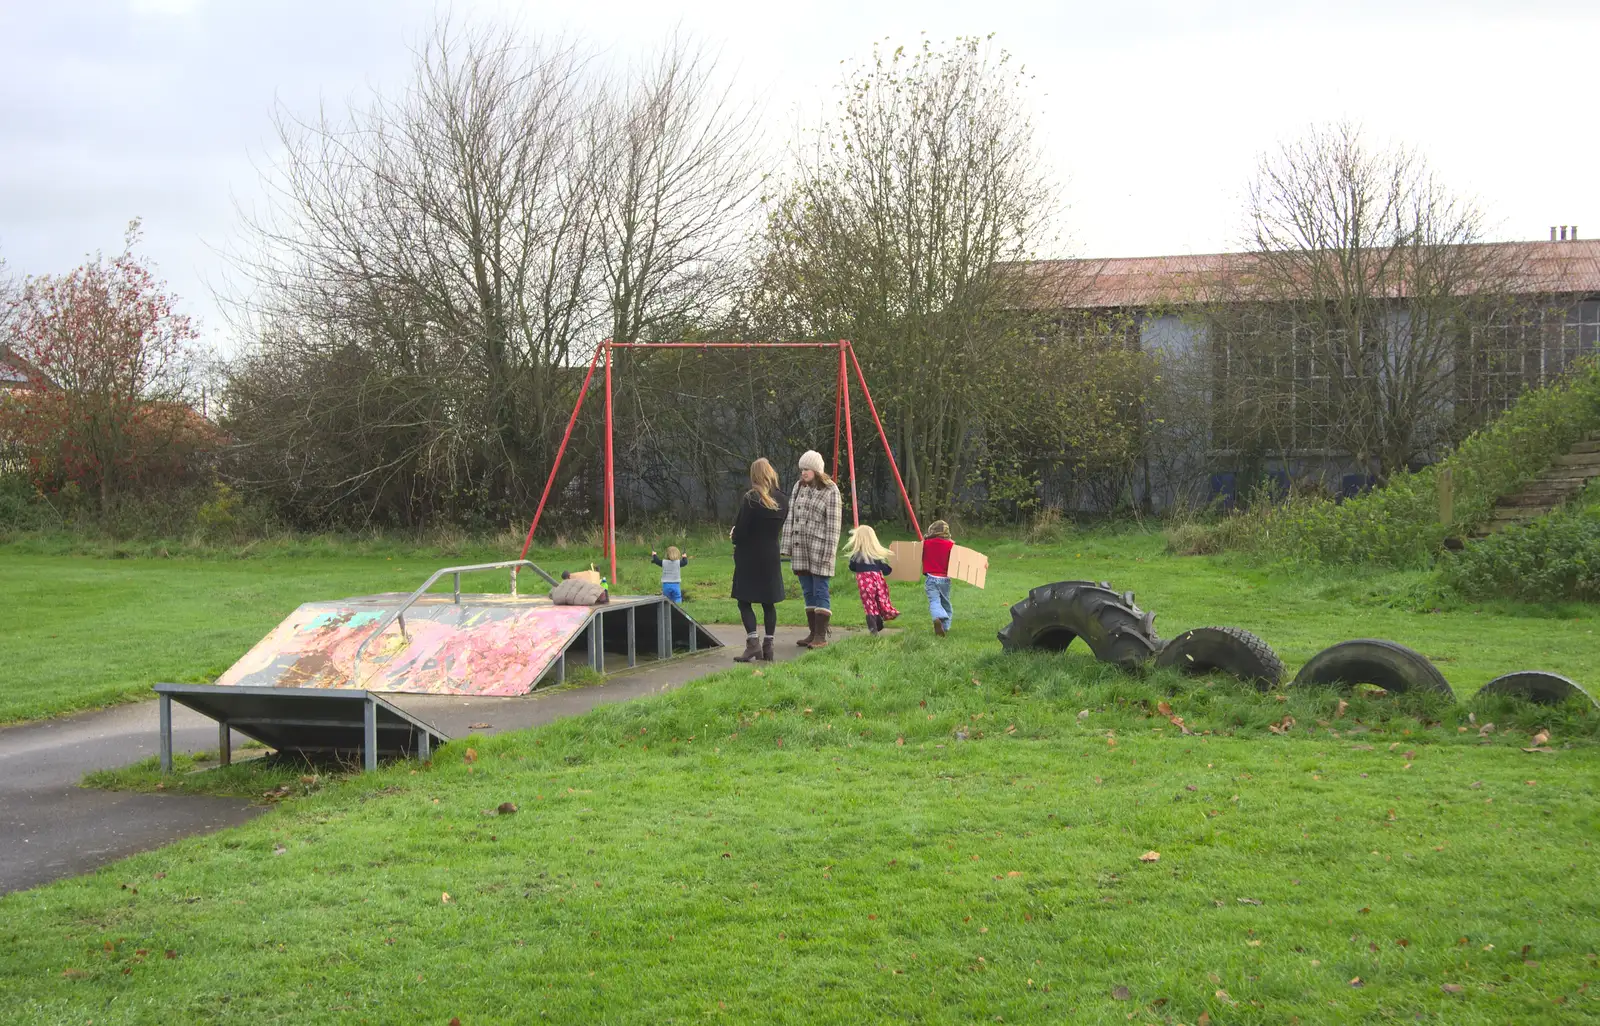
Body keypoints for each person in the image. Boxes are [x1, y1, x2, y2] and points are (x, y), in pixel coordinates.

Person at [780, 450, 843, 648]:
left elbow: (834, 526)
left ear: (816, 470)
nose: (803, 473)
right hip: (801, 550)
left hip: (819, 549)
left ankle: (821, 636)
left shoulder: (830, 490)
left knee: (820, 590)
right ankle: (812, 632)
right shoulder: (798, 487)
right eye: (801, 469)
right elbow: (790, 517)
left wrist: (829, 553)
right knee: (808, 592)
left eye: (807, 469)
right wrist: (786, 546)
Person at [730, 458, 788, 662]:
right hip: (771, 555)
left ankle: (753, 643)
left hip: (749, 556)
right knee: (768, 602)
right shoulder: (783, 499)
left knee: (743, 600)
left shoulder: (751, 499)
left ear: (754, 475)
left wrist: (733, 536)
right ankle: (768, 645)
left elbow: (741, 531)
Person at [843, 524, 899, 635]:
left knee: (869, 603)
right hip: (877, 581)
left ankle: (873, 627)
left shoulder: (856, 555)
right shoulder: (876, 556)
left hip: (864, 581)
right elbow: (886, 570)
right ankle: (881, 618)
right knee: (879, 600)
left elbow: (852, 567)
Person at [922, 519, 956, 636]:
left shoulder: (925, 544)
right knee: (946, 603)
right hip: (945, 579)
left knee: (934, 601)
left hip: (931, 578)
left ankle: (937, 617)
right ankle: (945, 627)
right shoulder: (951, 545)